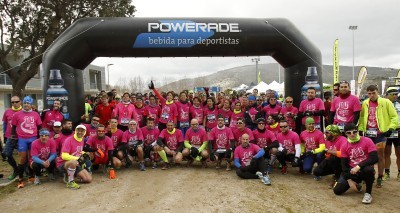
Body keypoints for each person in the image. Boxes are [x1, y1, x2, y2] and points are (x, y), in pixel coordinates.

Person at [358, 85, 398, 188]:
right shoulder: (365, 103)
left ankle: (380, 177)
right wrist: (361, 129)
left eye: (373, 93)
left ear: (378, 92)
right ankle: (369, 175)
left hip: (380, 134)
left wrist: (391, 129)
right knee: (367, 156)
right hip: (368, 133)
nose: (371, 95)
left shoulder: (386, 102)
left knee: (380, 155)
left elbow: (394, 117)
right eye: (369, 93)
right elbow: (362, 118)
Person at [333, 123, 378, 204]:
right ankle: (357, 184)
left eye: (354, 132)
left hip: (363, 168)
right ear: (345, 133)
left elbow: (374, 158)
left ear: (357, 131)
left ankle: (368, 193)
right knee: (337, 191)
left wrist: (358, 166)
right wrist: (349, 180)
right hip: (351, 171)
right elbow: (344, 165)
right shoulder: (344, 145)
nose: (352, 134)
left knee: (368, 170)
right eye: (349, 133)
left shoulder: (367, 140)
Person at [11, 96, 42, 189]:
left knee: (32, 158)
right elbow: (13, 127)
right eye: (24, 103)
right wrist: (14, 138)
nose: (26, 105)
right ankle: (20, 180)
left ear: (31, 105)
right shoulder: (17, 114)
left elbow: (39, 127)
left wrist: (39, 138)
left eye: (28, 103)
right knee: (22, 159)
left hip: (33, 138)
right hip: (22, 139)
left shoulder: (35, 114)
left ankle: (31, 176)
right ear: (22, 103)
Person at [57, 125, 93, 189]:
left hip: (75, 163)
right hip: (63, 163)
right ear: (75, 131)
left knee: (88, 179)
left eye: (82, 131)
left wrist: (84, 153)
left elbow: (78, 150)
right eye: (78, 130)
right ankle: (70, 182)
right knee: (73, 162)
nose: (80, 132)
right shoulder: (68, 140)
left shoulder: (81, 139)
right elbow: (64, 156)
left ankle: (70, 175)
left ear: (84, 132)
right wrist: (78, 158)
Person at [2, 96, 22, 180]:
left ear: (20, 102)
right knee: (6, 154)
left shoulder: (24, 111)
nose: (14, 103)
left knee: (24, 155)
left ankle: (26, 170)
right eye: (12, 102)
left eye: (16, 101)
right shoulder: (7, 111)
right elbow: (5, 124)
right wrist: (4, 135)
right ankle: (16, 170)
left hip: (21, 137)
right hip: (10, 137)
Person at [383, 87, 400, 181]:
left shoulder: (399, 104)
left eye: (396, 94)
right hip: (387, 131)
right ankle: (387, 173)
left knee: (399, 153)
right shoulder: (383, 105)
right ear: (387, 95)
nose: (394, 96)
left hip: (398, 131)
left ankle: (399, 173)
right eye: (392, 94)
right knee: (387, 153)